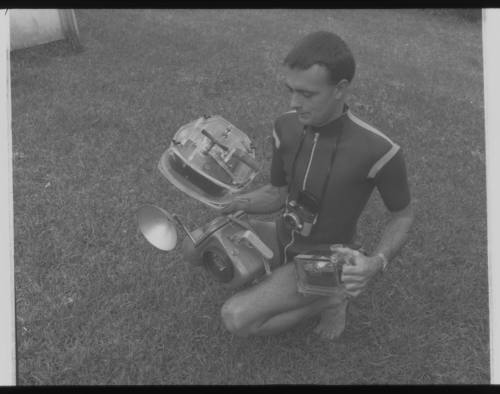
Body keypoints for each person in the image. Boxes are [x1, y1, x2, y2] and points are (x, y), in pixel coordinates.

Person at [219, 31, 414, 339]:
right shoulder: (284, 126)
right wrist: (230, 203)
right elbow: (276, 193)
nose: (294, 103)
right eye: (291, 91)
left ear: (340, 89)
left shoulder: (380, 150)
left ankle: (332, 298)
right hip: (281, 235)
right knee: (200, 244)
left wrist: (376, 262)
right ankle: (287, 278)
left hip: (325, 257)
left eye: (307, 95)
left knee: (235, 317)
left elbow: (403, 216)